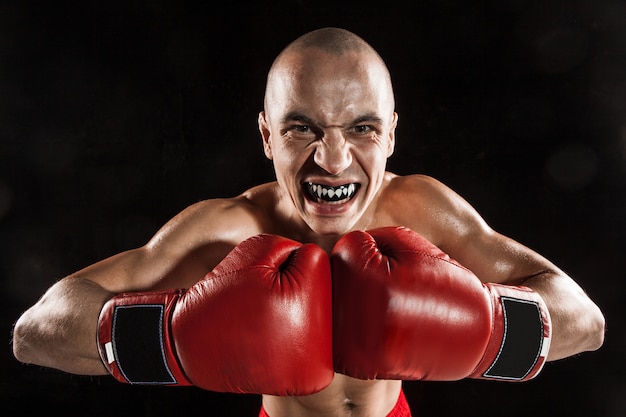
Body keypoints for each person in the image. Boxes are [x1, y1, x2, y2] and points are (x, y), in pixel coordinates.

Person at [12, 27, 605, 417]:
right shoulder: (230, 229)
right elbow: (35, 331)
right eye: (302, 129)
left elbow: (585, 321)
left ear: (391, 134)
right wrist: (171, 339)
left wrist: (488, 333)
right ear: (268, 137)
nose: (333, 159)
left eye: (361, 129)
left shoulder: (422, 211)